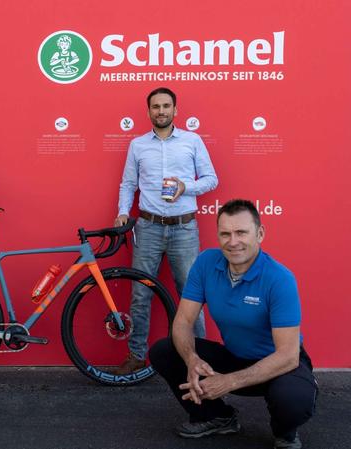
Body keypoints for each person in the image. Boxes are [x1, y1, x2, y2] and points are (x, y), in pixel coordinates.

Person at [149, 199, 317, 449]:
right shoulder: (206, 263)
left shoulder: (279, 278)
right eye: (225, 233)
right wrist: (192, 359)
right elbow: (183, 321)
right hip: (235, 356)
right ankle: (217, 417)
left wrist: (228, 382)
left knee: (292, 399)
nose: (233, 241)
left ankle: (285, 432)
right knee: (165, 351)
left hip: (278, 366)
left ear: (260, 233)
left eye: (241, 232)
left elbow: (288, 356)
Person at [114, 87, 218, 374]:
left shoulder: (192, 140)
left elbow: (211, 179)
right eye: (156, 106)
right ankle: (136, 355)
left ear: (175, 110)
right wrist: (123, 212)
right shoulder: (137, 145)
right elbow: (128, 184)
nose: (161, 111)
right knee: (140, 294)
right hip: (147, 228)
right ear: (148, 111)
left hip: (184, 228)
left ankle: (197, 358)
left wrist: (187, 187)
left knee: (192, 294)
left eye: (166, 106)